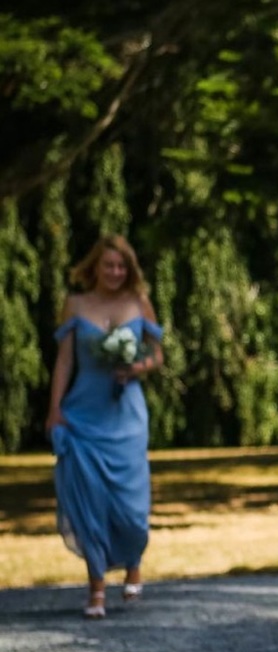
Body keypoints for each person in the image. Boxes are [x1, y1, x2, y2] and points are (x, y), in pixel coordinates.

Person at [45, 234, 164, 620]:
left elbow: (157, 356)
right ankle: (96, 587)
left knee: (132, 507)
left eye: (121, 266)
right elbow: (65, 361)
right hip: (84, 414)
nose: (115, 272)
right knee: (90, 501)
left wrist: (136, 367)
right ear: (94, 266)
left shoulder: (139, 303)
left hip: (127, 418)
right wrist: (55, 409)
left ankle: (133, 562)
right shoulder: (76, 304)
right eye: (108, 265)